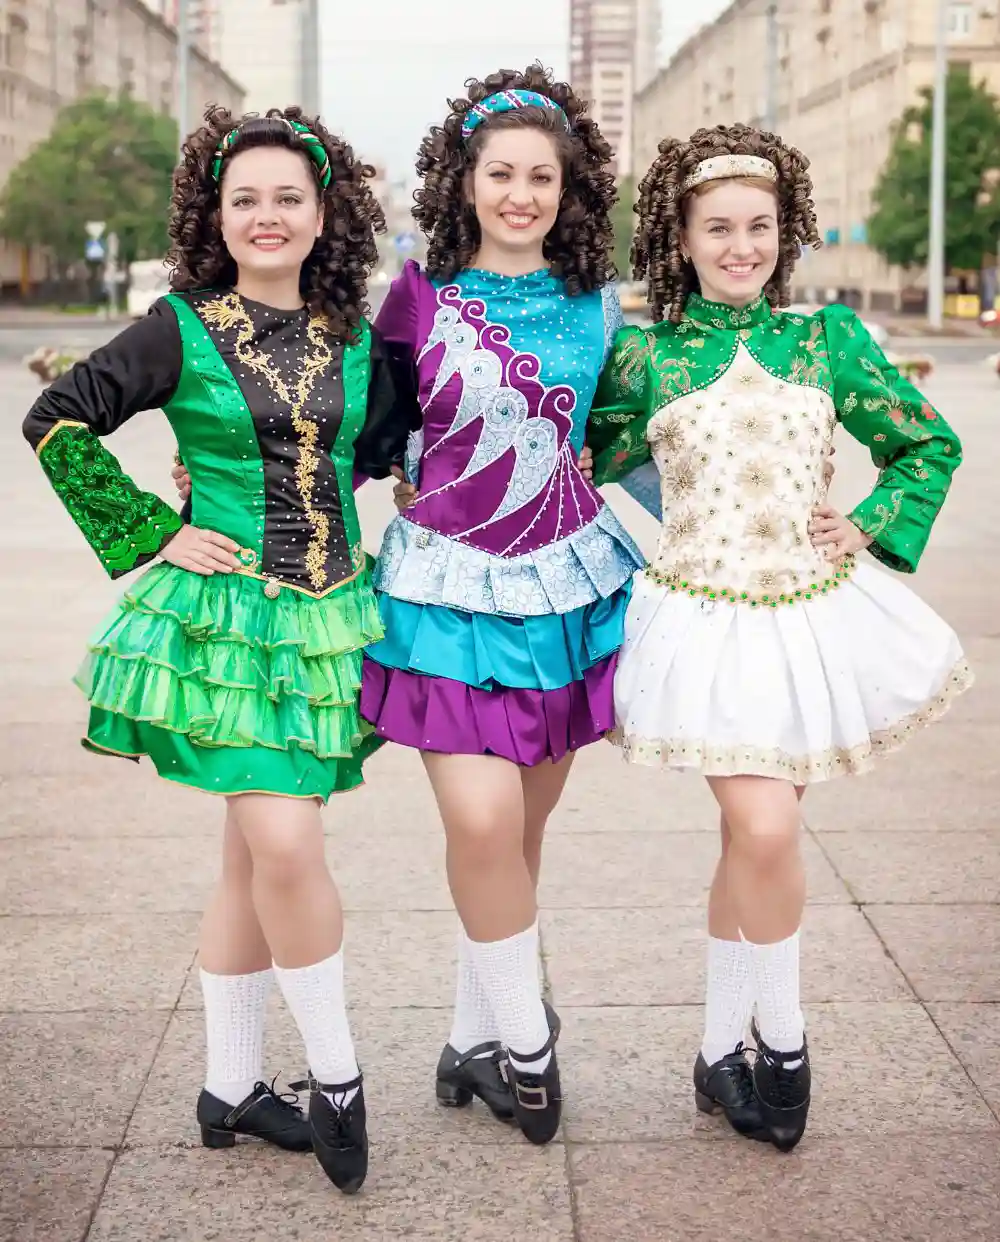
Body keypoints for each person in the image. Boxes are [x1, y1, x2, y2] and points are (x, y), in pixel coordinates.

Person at [22, 104, 418, 1194]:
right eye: (244, 197)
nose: (266, 215)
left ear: (322, 210)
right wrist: (157, 530)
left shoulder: (355, 334)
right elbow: (57, 417)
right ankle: (337, 1076)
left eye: (288, 195)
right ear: (216, 213)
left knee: (254, 858)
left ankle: (229, 1087)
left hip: (330, 617)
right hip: (228, 622)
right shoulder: (179, 326)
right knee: (287, 845)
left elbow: (387, 448)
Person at [586, 123, 972, 1152]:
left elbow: (927, 442)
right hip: (703, 616)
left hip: (812, 618)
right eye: (718, 228)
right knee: (764, 829)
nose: (740, 246)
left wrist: (869, 522)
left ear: (784, 230)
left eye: (758, 226)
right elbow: (568, 453)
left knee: (747, 840)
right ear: (683, 237)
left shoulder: (828, 338)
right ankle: (788, 1042)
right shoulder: (645, 352)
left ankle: (720, 1052)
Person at [358, 65, 643, 1145]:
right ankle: (526, 1047)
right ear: (463, 180)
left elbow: (639, 440)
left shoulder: (597, 305)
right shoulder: (415, 297)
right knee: (478, 822)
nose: (520, 193)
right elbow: (361, 435)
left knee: (519, 835)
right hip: (441, 585)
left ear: (568, 191)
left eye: (541, 177)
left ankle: (473, 1032)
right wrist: (234, 497)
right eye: (500, 174)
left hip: (566, 584)